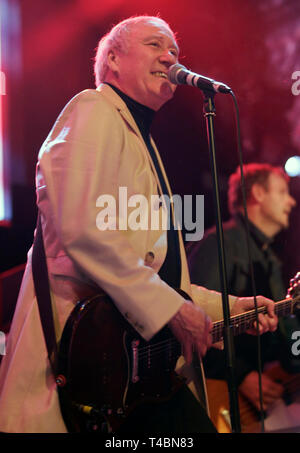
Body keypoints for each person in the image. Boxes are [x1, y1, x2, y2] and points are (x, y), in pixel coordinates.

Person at [0, 17, 277, 433]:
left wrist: (232, 308)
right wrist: (171, 310)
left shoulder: (144, 143)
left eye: (175, 52)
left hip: (135, 381)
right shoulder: (92, 109)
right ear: (112, 59)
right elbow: (80, 228)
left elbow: (157, 278)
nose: (170, 57)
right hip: (88, 378)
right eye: (155, 45)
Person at [188, 163, 297, 417]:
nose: (291, 201)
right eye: (282, 192)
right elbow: (193, 322)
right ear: (258, 193)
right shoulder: (219, 244)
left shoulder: (269, 258)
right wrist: (241, 376)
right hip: (223, 399)